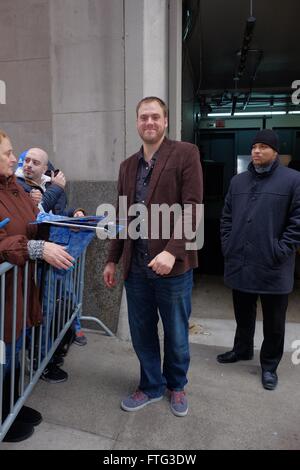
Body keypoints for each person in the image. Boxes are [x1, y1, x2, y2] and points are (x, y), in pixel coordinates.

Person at [103, 97, 203, 417]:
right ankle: (151, 386)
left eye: (155, 117)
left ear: (166, 121)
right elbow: (122, 218)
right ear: (136, 123)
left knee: (175, 332)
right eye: (144, 117)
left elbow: (192, 208)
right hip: (136, 267)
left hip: (172, 269)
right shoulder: (127, 166)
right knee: (142, 332)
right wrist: (111, 259)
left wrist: (172, 253)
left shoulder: (185, 153)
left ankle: (176, 385)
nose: (149, 122)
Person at [0, 130, 74, 442]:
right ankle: (4, 416)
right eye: (7, 153)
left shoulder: (14, 188)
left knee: (15, 349)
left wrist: (71, 220)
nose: (13, 159)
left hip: (20, 288)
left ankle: (12, 407)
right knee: (4, 354)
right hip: (6, 293)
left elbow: (36, 221)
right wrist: (35, 249)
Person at [217, 129, 300, 390]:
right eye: (254, 146)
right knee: (243, 312)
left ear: (275, 152)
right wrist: (228, 243)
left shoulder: (293, 180)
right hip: (241, 260)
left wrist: (281, 249)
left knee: (274, 321)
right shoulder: (238, 182)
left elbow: (297, 222)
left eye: (263, 147)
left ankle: (269, 366)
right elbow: (227, 217)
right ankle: (242, 350)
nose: (256, 151)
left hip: (273, 264)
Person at [16, 148, 88, 361]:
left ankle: (67, 333)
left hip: (53, 254)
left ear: (45, 169)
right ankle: (38, 355)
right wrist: (54, 189)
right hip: (33, 260)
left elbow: (55, 213)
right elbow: (35, 215)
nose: (28, 164)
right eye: (26, 160)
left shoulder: (49, 185)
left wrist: (76, 212)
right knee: (37, 309)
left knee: (61, 297)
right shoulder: (18, 185)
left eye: (35, 162)